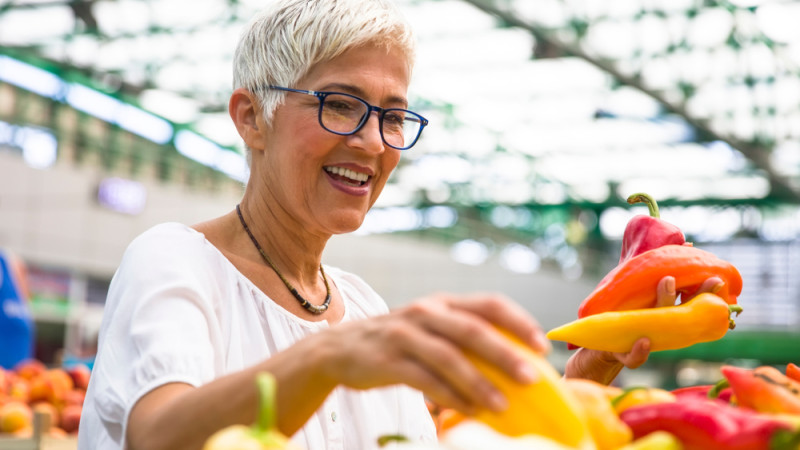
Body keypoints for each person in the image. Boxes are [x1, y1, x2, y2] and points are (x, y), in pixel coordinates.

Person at [77, 1, 722, 449]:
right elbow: (157, 435)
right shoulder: (175, 261)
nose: (371, 142)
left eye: (392, 116)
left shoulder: (361, 306)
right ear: (251, 118)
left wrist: (590, 368)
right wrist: (328, 355)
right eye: (339, 105)